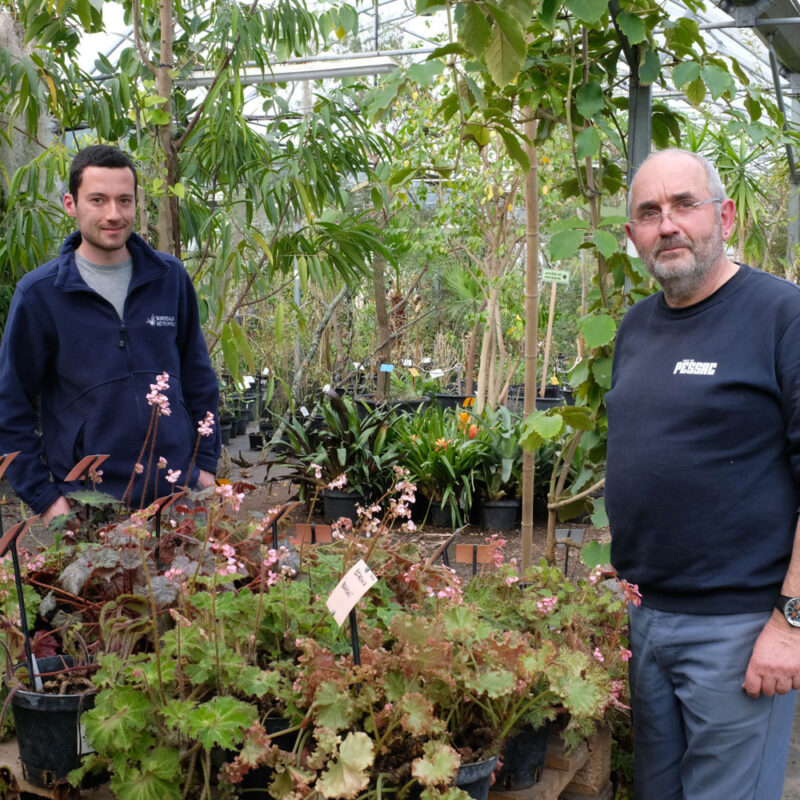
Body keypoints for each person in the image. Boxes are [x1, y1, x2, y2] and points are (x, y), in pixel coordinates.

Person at [605, 148, 800, 799]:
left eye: (684, 204)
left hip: (739, 630)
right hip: (647, 620)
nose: (668, 225)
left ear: (725, 213)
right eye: (649, 212)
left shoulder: (782, 316)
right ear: (632, 235)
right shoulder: (635, 329)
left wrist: (791, 621)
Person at [0, 144, 220, 525]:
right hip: (90, 505)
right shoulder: (41, 295)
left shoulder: (169, 280)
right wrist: (47, 499)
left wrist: (204, 464)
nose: (113, 214)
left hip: (180, 495)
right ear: (71, 204)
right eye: (98, 200)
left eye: (124, 200)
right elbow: (9, 404)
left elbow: (200, 378)